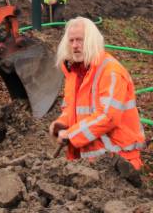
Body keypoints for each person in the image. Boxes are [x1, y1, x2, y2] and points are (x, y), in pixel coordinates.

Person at [49, 17, 145, 187]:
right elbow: (71, 108)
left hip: (118, 163)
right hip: (91, 164)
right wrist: (62, 123)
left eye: (80, 40)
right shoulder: (74, 73)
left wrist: (71, 134)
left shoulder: (110, 71)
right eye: (71, 41)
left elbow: (108, 117)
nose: (75, 45)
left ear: (92, 42)